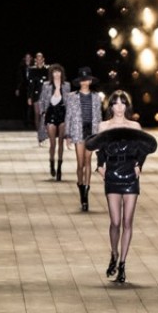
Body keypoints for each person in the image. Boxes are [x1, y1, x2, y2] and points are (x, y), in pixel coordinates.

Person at [85, 90, 157, 283]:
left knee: (127, 222)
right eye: (115, 103)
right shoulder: (104, 126)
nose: (119, 107)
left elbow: (144, 149)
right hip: (112, 174)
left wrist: (139, 166)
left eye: (122, 103)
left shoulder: (134, 126)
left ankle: (123, 264)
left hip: (130, 176)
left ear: (127, 106)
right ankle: (114, 254)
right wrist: (100, 168)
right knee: (115, 222)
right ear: (110, 106)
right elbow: (99, 150)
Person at [64, 66, 102, 212]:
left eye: (87, 79)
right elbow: (68, 116)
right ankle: (81, 186)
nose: (85, 82)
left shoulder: (96, 97)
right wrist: (67, 135)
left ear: (91, 81)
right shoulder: (72, 97)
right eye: (83, 80)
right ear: (79, 82)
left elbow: (99, 117)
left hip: (91, 132)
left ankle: (86, 192)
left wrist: (100, 135)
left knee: (88, 162)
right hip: (78, 131)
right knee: (80, 163)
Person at [37, 64, 70, 179]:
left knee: (61, 142)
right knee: (52, 143)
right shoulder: (46, 85)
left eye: (58, 72)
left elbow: (69, 102)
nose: (57, 74)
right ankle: (52, 164)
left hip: (62, 114)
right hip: (50, 113)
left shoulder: (66, 86)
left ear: (62, 73)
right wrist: (43, 112)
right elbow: (41, 100)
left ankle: (60, 168)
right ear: (51, 73)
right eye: (54, 72)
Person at [26, 53, 47, 141]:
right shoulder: (32, 70)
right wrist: (29, 97)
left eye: (40, 58)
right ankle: (39, 133)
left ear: (43, 59)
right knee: (37, 114)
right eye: (37, 58)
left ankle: (44, 132)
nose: (39, 60)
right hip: (36, 95)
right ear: (35, 60)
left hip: (46, 95)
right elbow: (30, 85)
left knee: (44, 114)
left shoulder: (47, 70)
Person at [14, 53, 33, 128]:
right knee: (24, 106)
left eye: (29, 57)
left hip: (32, 89)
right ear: (24, 58)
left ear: (31, 58)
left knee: (30, 106)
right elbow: (19, 79)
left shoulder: (33, 67)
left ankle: (29, 121)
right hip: (24, 88)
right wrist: (17, 88)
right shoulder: (21, 67)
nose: (28, 58)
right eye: (26, 57)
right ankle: (25, 121)